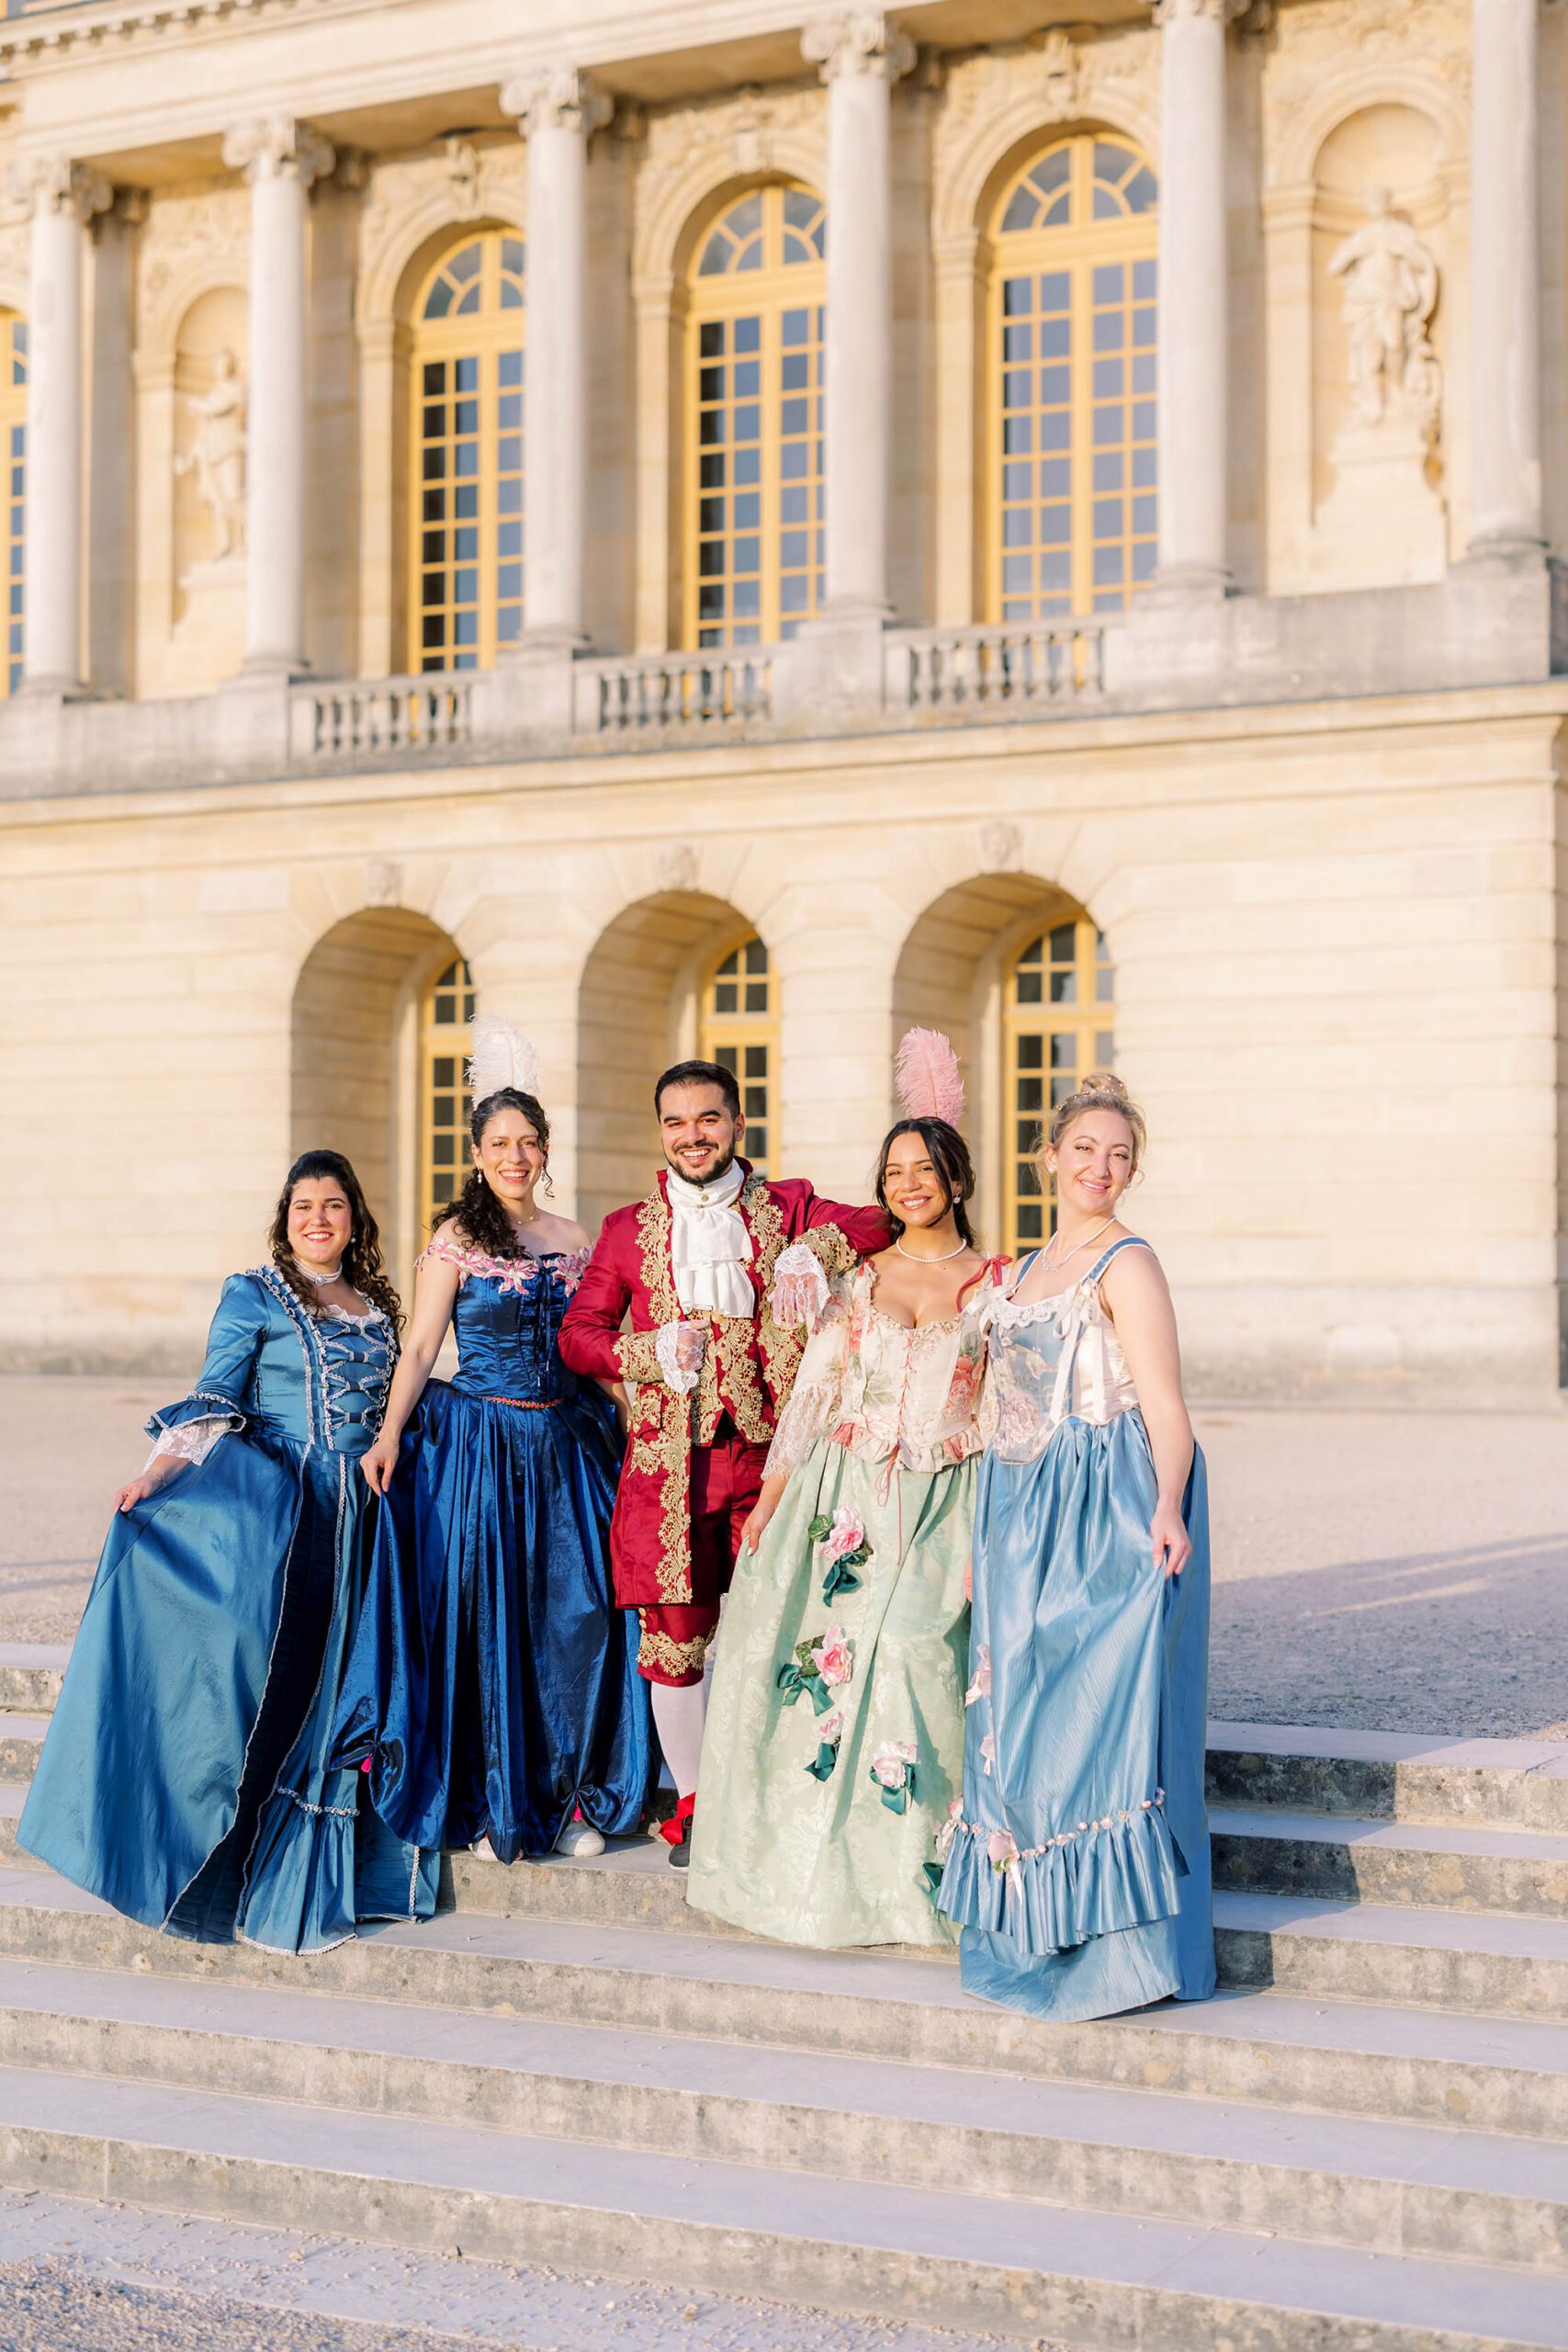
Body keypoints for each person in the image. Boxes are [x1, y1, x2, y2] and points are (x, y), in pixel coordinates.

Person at [18, 1152, 438, 1952]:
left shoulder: (378, 1308)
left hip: (371, 1522)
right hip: (292, 1519)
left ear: (356, 1218)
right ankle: (221, 1878)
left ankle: (329, 1872)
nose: (318, 1219)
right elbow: (217, 1392)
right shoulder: (254, 1293)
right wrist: (158, 1473)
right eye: (303, 1206)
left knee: (349, 1698)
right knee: (276, 1690)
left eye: (334, 1205)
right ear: (285, 1218)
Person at [686, 1029, 1006, 1947]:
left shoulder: (995, 1286)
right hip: (850, 1501)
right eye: (896, 1170)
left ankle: (922, 1878)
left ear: (956, 1177)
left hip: (950, 1498)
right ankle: (831, 1877)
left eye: (926, 1168)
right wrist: (776, 1498)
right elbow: (816, 1390)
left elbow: (1014, 1410)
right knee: (832, 1674)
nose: (910, 1183)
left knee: (916, 1660)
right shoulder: (856, 1281)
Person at [333, 1020, 650, 1865]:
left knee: (574, 1618)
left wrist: (634, 1418)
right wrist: (389, 1434)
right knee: (485, 1618)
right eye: (500, 1143)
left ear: (545, 1151)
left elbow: (591, 1342)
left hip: (565, 1442)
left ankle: (570, 1793)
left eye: (529, 1142)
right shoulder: (456, 1239)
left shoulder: (574, 1237)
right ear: (476, 1152)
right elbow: (422, 1346)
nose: (516, 1155)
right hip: (477, 1447)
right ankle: (491, 1795)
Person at [558, 1057, 889, 1866]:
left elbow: (881, 1221)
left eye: (708, 1119)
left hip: (778, 1456)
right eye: (676, 1122)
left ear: (737, 1124)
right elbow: (577, 1336)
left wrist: (815, 1248)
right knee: (677, 1635)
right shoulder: (623, 1230)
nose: (692, 1136)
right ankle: (701, 1805)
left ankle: (782, 1788)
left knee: (789, 1620)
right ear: (661, 1132)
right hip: (673, 1467)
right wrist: (644, 1351)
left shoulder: (786, 1204)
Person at [935, 1072, 1215, 2022]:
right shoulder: (1020, 1273)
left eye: (1121, 1153)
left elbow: (1166, 1403)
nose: (1103, 1166)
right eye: (1086, 1148)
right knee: (1013, 1720)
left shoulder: (1128, 1264)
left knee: (1095, 1722)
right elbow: (989, 1410)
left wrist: (1169, 1504)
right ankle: (1030, 1939)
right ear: (1048, 1156)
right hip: (1019, 1509)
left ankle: (1115, 1957)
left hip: (1106, 1505)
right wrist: (981, 1535)